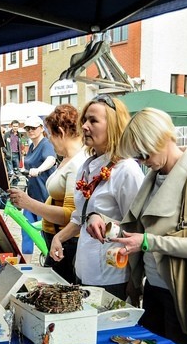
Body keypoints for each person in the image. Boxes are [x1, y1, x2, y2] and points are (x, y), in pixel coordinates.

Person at [110, 108, 187, 344]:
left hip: (182, 294)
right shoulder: (154, 174)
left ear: (160, 139)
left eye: (143, 153)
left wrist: (149, 242)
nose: (141, 160)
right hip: (153, 289)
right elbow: (141, 227)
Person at [50, 95, 144, 300]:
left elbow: (137, 227)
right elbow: (80, 217)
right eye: (84, 120)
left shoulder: (127, 170)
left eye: (93, 121)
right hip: (84, 271)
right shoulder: (86, 166)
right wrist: (59, 237)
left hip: (113, 277)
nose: (84, 126)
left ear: (113, 125)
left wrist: (135, 283)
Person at [8, 105, 88, 282]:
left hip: (68, 244)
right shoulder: (68, 159)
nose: (49, 140)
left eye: (50, 134)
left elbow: (69, 216)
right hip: (59, 240)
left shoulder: (76, 164)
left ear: (61, 132)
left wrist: (28, 203)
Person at [17, 115, 57, 256]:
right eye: (28, 128)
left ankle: (50, 259)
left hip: (44, 197)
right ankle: (26, 265)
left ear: (41, 128)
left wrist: (39, 170)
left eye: (33, 127)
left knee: (46, 231)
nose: (30, 131)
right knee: (26, 228)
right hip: (32, 195)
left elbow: (51, 159)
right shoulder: (32, 146)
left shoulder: (46, 144)